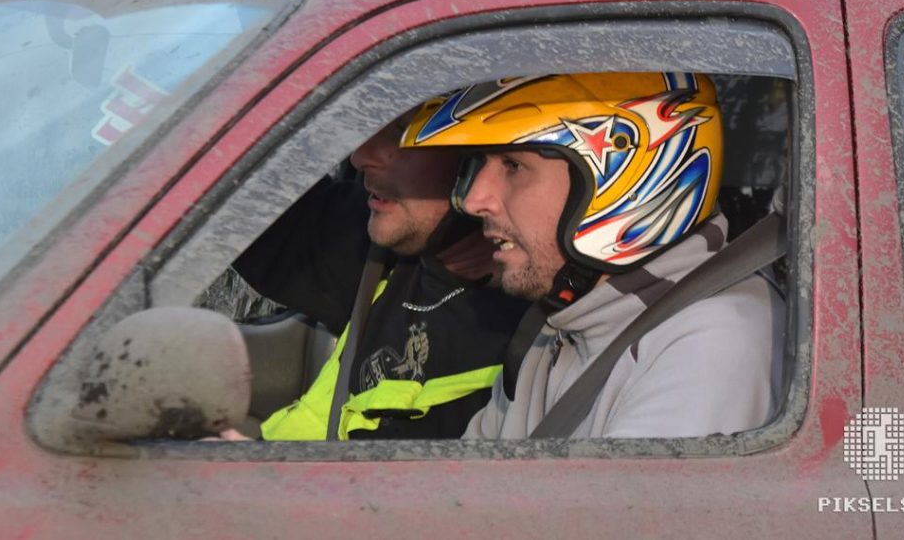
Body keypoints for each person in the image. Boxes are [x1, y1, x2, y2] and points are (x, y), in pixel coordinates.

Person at [399, 72, 784, 439]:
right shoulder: (560, 326)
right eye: (479, 166)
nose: (473, 200)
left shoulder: (711, 344)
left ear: (623, 180)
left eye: (513, 166)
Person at [210, 110, 528, 440]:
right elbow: (231, 192)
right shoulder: (377, 251)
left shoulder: (523, 351)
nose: (360, 156)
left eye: (403, 130)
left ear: (479, 160)